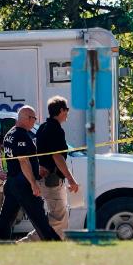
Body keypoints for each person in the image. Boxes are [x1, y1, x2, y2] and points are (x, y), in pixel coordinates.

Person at [0, 106, 62, 241]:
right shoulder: (20, 135)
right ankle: (53, 242)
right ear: (26, 118)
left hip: (12, 182)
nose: (34, 122)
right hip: (23, 182)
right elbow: (23, 161)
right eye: (34, 118)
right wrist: (33, 183)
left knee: (6, 217)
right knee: (38, 216)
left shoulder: (10, 134)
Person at [35, 96, 79, 238]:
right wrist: (71, 180)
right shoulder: (56, 130)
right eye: (67, 110)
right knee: (58, 219)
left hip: (45, 177)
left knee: (61, 218)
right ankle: (26, 242)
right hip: (52, 180)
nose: (67, 114)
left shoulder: (42, 127)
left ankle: (57, 248)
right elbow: (57, 156)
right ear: (61, 110)